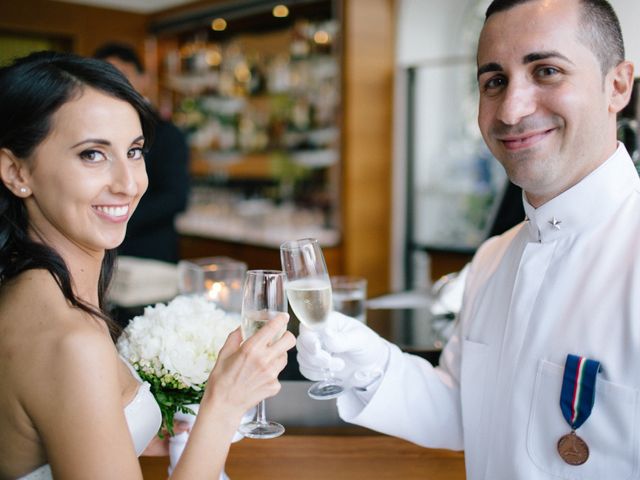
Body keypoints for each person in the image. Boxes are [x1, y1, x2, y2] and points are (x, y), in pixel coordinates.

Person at [297, 0, 639, 478]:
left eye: (547, 71)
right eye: (494, 82)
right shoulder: (494, 258)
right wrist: (369, 362)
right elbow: (467, 412)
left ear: (617, 85)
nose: (512, 110)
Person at [0, 51, 295, 479]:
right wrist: (223, 403)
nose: (128, 183)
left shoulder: (27, 292)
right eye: (92, 155)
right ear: (15, 171)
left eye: (134, 151)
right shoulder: (71, 341)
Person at [94, 42, 190, 264]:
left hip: (149, 256)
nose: (112, 84)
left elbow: (176, 197)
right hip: (100, 255)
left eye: (121, 74)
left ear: (144, 79)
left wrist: (113, 215)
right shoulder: (92, 131)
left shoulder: (167, 133)